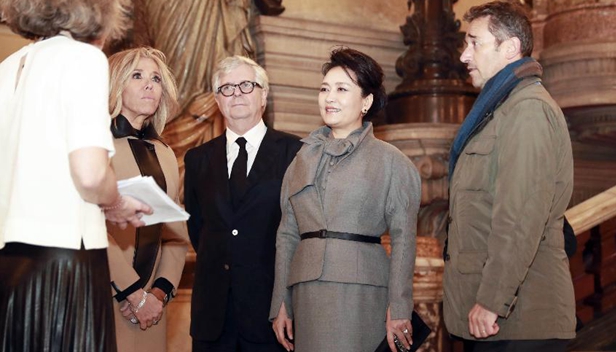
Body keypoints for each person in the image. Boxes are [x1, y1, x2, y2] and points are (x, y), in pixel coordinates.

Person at [0, 0, 152, 351]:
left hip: (11, 258)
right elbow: (88, 173)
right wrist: (116, 202)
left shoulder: (8, 67)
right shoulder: (82, 59)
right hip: (64, 259)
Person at [443, 1, 576, 352]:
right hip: (501, 323)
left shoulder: (527, 110)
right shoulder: (501, 109)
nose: (464, 55)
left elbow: (519, 217)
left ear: (510, 48)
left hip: (519, 322)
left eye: (474, 43)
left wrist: (492, 300)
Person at [270, 48, 422, 352]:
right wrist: (280, 302)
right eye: (325, 89)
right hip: (307, 294)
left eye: (342, 89)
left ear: (366, 101)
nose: (330, 97)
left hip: (363, 293)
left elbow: (405, 239)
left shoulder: (393, 162)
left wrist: (400, 306)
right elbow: (287, 234)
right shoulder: (301, 158)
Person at [185, 55, 302, 351]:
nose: (236, 92)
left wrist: (285, 300)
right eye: (226, 88)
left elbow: (301, 233)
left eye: (246, 85)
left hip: (271, 316)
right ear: (217, 100)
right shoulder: (197, 160)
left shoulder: (296, 153)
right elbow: (198, 230)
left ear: (264, 95)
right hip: (213, 318)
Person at [107, 47, 190, 351]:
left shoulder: (167, 154)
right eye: (137, 76)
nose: (150, 85)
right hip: (107, 295)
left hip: (152, 310)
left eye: (156, 78)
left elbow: (175, 233)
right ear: (115, 84)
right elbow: (89, 226)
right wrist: (133, 293)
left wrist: (158, 293)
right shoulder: (97, 147)